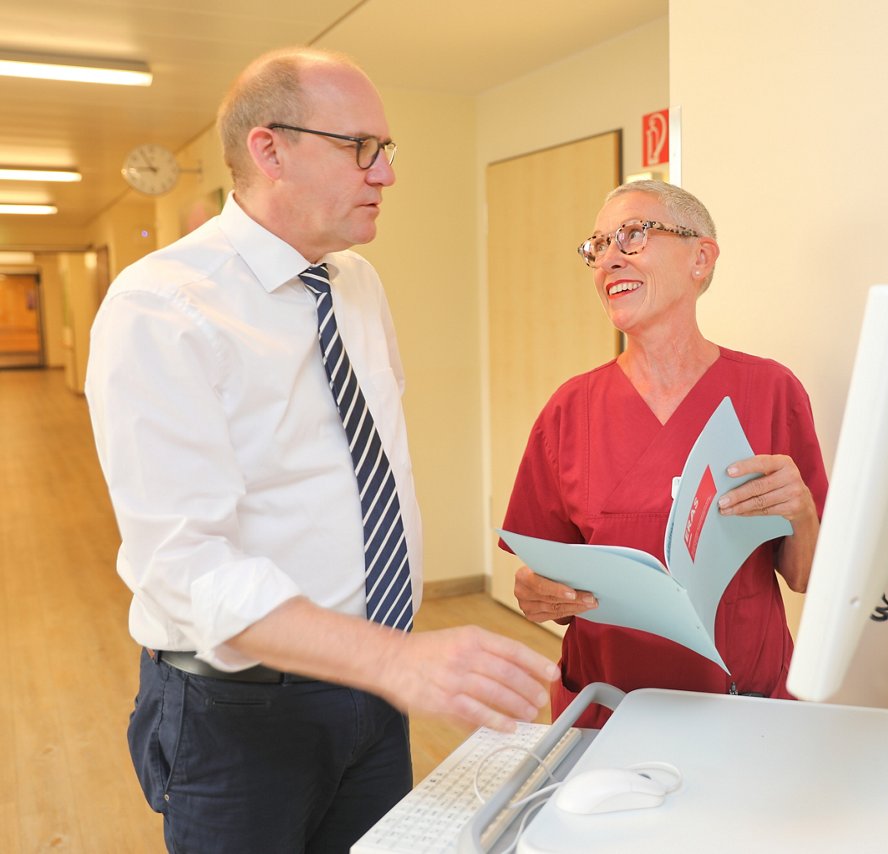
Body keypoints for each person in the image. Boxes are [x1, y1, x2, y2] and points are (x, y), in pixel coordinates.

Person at [85, 47, 557, 853]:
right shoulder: (160, 308)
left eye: (388, 150)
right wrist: (396, 661)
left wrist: (387, 668)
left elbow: (360, 470)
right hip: (242, 717)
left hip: (371, 693)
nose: (386, 174)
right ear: (270, 149)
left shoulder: (356, 285)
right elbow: (186, 566)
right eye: (360, 147)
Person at [501, 180, 828, 729]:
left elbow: (807, 577)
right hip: (609, 710)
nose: (607, 260)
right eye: (597, 246)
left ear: (700, 257)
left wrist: (800, 512)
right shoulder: (569, 410)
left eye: (631, 236)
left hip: (745, 705)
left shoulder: (771, 391)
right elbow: (542, 579)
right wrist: (537, 594)